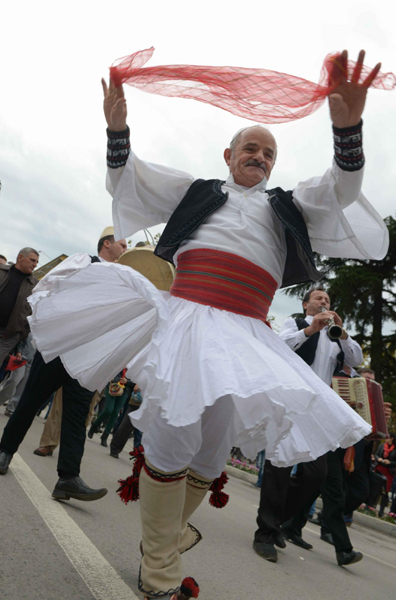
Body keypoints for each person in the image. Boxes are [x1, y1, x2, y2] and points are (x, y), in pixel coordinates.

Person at [22, 50, 388, 598]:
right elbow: (129, 179)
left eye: (268, 152)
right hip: (188, 321)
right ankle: (161, 566)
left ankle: (161, 541)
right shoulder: (198, 190)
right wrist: (117, 126)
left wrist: (346, 126)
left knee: (212, 452)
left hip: (245, 335)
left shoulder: (287, 206)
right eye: (250, 148)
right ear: (229, 154)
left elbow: (341, 190)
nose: (259, 157)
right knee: (172, 438)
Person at [0, 228, 127, 503]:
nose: (126, 249)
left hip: (88, 357)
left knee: (76, 415)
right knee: (30, 401)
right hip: (61, 347)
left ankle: (68, 478)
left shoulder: (125, 278)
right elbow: (49, 284)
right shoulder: (85, 261)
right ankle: (4, 452)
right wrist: (49, 324)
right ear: (107, 244)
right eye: (123, 243)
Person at [255, 287, 364, 566]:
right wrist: (309, 330)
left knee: (316, 474)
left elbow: (356, 360)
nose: (324, 302)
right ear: (306, 305)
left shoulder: (336, 336)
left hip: (318, 408)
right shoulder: (297, 324)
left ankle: (278, 520)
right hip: (290, 400)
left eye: (327, 299)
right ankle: (265, 534)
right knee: (278, 466)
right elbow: (279, 345)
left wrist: (342, 331)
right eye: (319, 299)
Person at [0, 247, 39, 365]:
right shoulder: (1, 271)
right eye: (32, 260)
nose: (35, 265)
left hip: (8, 335)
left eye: (36, 262)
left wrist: (21, 335)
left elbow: (34, 313)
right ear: (20, 257)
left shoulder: (35, 286)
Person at [88, 371, 134, 447]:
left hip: (125, 391)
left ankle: (105, 436)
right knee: (108, 410)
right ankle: (94, 426)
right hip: (113, 386)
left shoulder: (136, 364)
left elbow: (136, 381)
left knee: (115, 413)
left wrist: (127, 381)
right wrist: (118, 380)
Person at [109, 383, 143, 459]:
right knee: (127, 425)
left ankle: (140, 452)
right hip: (138, 400)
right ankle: (115, 448)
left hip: (154, 402)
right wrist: (138, 383)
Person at [374, 433, 396, 517]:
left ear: (392, 439)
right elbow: (376, 454)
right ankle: (370, 506)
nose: (386, 439)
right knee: (376, 489)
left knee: (385, 492)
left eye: (388, 437)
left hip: (388, 472)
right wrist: (378, 458)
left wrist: (390, 462)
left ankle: (382, 510)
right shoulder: (382, 446)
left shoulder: (395, 449)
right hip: (379, 468)